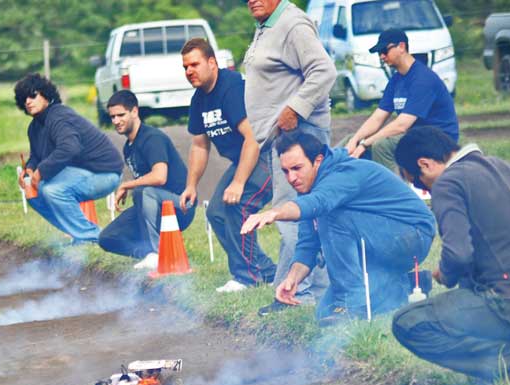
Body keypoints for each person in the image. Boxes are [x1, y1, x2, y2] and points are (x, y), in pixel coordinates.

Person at [391, 126, 510, 384]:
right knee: (470, 283)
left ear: (425, 164)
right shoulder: (506, 167)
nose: (426, 191)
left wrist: (445, 274)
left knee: (408, 322)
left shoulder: (448, 183)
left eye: (418, 183)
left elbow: (458, 255)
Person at [241, 130, 436, 326]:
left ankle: (351, 303)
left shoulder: (343, 172)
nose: (291, 177)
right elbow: (308, 244)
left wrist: (275, 213)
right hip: (379, 240)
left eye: (297, 168)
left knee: (333, 216)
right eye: (285, 171)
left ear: (317, 161)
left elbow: (319, 203)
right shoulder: (308, 187)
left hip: (412, 235)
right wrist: (291, 280)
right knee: (325, 312)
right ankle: (406, 288)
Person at [242, 0, 337, 314]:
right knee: (307, 214)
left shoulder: (292, 24)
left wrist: (295, 108)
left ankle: (300, 295)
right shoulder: (267, 25)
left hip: (299, 134)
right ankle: (313, 291)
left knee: (293, 213)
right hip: (284, 136)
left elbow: (324, 71)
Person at [179, 37, 275, 292]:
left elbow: (252, 138)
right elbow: (200, 145)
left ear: (212, 63)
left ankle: (247, 277)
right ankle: (264, 270)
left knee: (237, 205)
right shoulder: (199, 99)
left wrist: (239, 182)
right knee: (216, 212)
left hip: (270, 154)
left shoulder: (231, 87)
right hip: (245, 158)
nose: (189, 71)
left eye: (194, 64)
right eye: (185, 67)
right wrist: (191, 185)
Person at [14, 73, 123, 243]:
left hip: (105, 173)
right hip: (80, 172)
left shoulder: (59, 116)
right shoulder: (34, 127)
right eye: (24, 99)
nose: (28, 101)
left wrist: (40, 172)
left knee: (52, 191)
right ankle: (79, 234)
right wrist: (29, 170)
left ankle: (96, 237)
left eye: (33, 95)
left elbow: (69, 148)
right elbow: (36, 155)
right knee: (33, 192)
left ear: (46, 95)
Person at [98, 90, 194, 270]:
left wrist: (127, 185)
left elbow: (159, 177)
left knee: (142, 191)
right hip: (152, 204)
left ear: (134, 111)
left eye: (121, 115)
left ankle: (155, 253)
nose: (116, 121)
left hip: (180, 206)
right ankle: (154, 254)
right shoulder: (128, 147)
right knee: (107, 238)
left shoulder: (152, 138)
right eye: (112, 117)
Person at [343, 29, 459, 174]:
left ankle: (394, 187)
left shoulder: (422, 79)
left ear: (401, 47)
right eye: (379, 53)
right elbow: (378, 117)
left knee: (381, 145)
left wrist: (365, 144)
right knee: (348, 142)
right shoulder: (397, 79)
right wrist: (355, 140)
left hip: (439, 140)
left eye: (385, 51)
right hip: (416, 136)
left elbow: (402, 125)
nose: (382, 56)